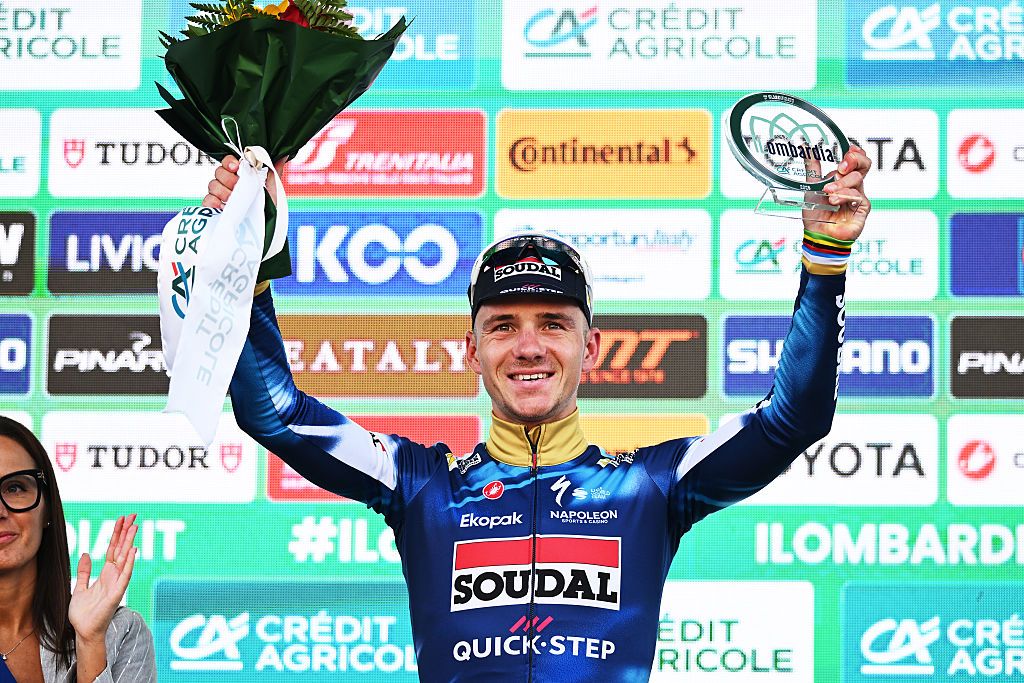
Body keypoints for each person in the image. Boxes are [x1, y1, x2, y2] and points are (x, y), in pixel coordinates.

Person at [206, 146, 871, 681]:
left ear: (591, 348)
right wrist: (251, 255)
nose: (527, 345)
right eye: (502, 326)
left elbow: (793, 418)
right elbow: (274, 413)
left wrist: (826, 260)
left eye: (553, 323)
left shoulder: (650, 486)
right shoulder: (419, 484)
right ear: (471, 349)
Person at [0, 417, 156, 683]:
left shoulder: (120, 633)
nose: (0, 511)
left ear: (47, 507)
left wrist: (90, 642)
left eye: (15, 488)